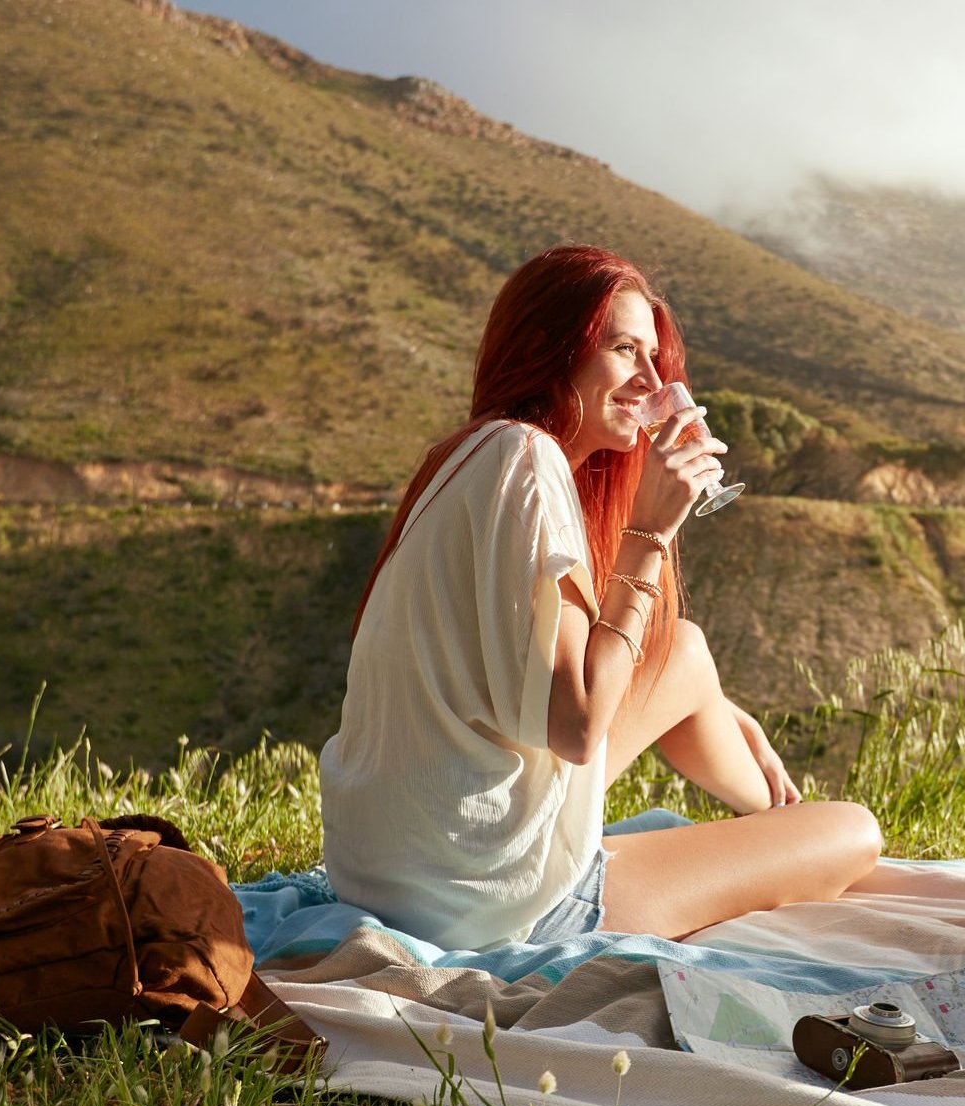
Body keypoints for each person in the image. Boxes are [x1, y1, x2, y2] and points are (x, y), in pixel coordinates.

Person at [320, 244, 882, 949]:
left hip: (385, 865)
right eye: (624, 350)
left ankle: (772, 814)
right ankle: (780, 828)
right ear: (552, 352)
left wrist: (719, 702)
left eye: (656, 359)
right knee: (855, 831)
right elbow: (579, 728)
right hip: (477, 897)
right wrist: (649, 531)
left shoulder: (472, 454)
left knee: (682, 648)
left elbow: (587, 680)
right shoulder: (527, 459)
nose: (651, 380)